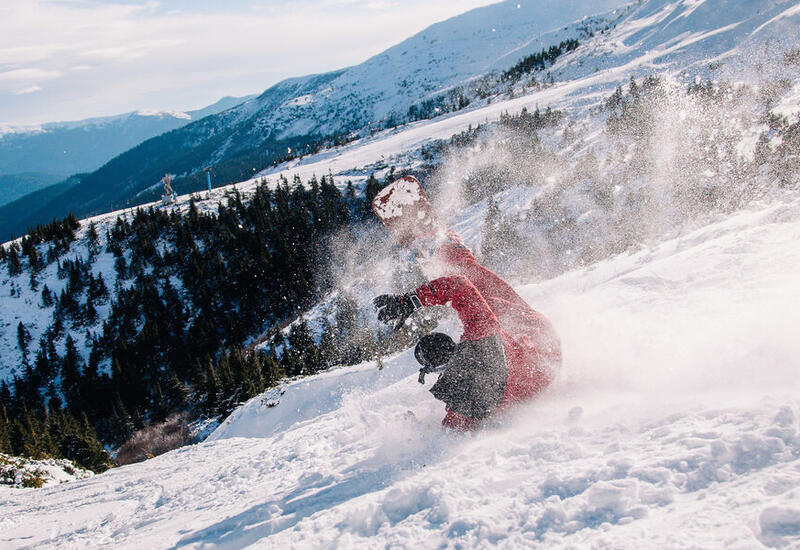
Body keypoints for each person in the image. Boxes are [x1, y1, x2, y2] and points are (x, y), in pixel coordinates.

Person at [374, 231, 561, 431]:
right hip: (542, 346)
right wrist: (410, 301)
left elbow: (451, 429)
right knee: (478, 290)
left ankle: (446, 258)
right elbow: (459, 285)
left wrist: (413, 429)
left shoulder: (460, 399)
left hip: (539, 378)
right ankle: (449, 248)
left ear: (436, 370)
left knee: (480, 308)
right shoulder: (481, 335)